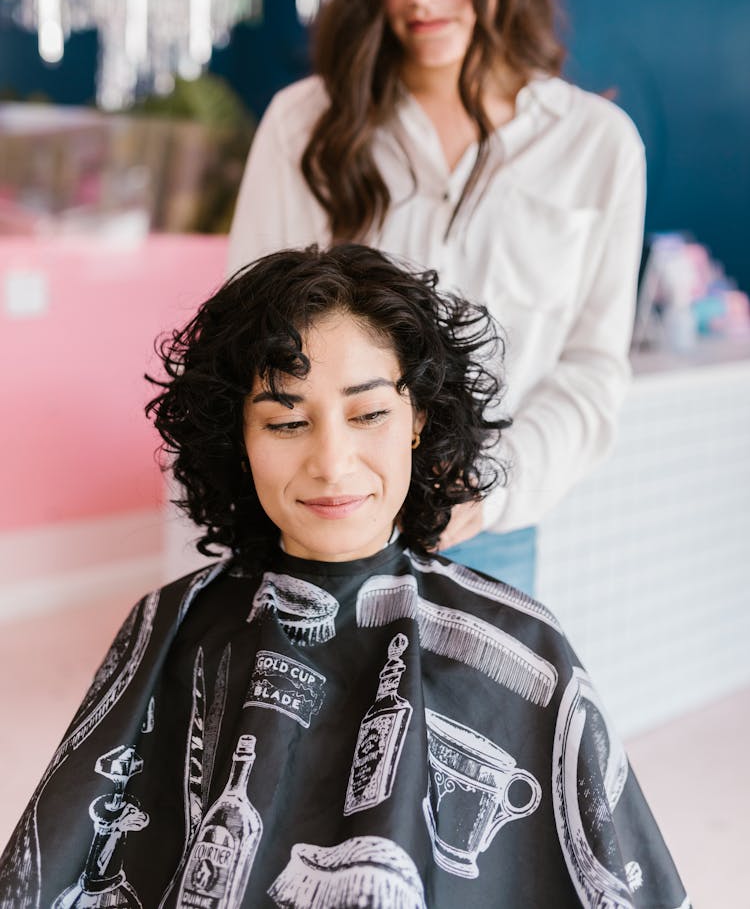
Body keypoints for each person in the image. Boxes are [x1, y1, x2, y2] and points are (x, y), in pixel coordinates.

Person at [0, 246, 688, 909]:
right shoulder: (172, 625)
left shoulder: (522, 644)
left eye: (368, 414)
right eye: (288, 420)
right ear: (239, 436)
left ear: (417, 419)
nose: (332, 461)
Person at [227, 0, 646, 594]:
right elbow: (247, 341)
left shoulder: (597, 145)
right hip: (321, 527)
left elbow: (593, 372)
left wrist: (487, 482)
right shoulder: (303, 125)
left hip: (492, 543)